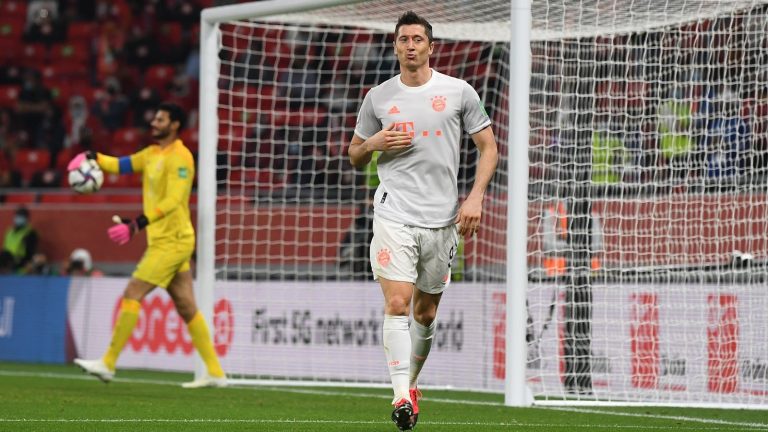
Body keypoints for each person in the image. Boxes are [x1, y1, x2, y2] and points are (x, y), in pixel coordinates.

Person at [348, 11, 498, 431]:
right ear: (395, 46)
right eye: (403, 39)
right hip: (394, 211)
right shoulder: (378, 97)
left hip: (443, 218)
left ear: (431, 47)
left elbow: (488, 148)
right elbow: (355, 153)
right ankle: (400, 395)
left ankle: (410, 384)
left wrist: (475, 198)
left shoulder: (459, 91)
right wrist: (373, 143)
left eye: (417, 39)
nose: (410, 46)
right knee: (397, 303)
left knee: (426, 313)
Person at [69, 102, 226, 388]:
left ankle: (108, 363)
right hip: (165, 240)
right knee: (186, 306)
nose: (154, 123)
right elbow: (120, 164)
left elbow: (175, 200)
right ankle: (215, 373)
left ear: (174, 125)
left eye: (160, 119)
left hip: (173, 242)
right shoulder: (152, 154)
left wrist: (137, 224)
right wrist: (91, 156)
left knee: (133, 292)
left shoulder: (181, 158)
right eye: (155, 118)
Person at [3, 206, 38, 272]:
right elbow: (5, 248)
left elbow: (30, 253)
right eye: (17, 216)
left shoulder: (30, 233)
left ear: (27, 219)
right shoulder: (9, 232)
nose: (18, 219)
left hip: (20, 261)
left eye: (21, 217)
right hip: (7, 260)